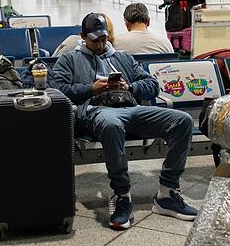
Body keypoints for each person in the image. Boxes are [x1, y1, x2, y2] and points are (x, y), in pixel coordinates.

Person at [51, 13, 197, 230]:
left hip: (132, 109)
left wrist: (129, 87)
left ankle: (167, 193)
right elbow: (60, 91)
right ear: (83, 37)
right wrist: (91, 88)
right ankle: (122, 196)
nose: (101, 44)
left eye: (104, 39)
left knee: (182, 121)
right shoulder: (70, 59)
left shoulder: (123, 57)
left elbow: (152, 85)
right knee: (111, 125)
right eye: (95, 40)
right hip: (98, 111)